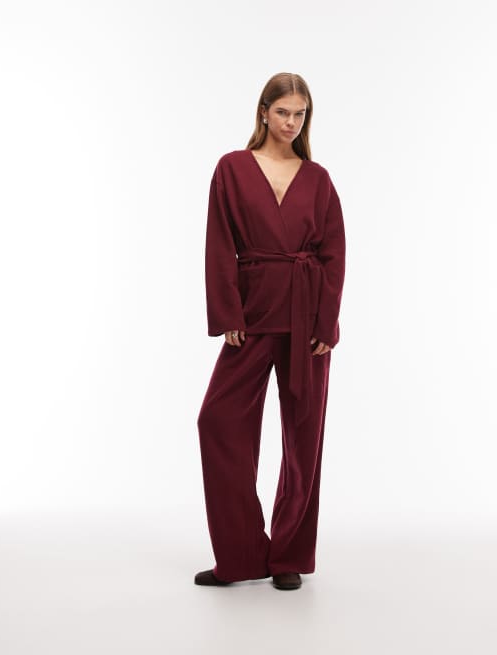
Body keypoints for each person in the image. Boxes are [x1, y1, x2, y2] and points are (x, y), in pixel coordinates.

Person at [195, 72, 346, 591]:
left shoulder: (318, 178)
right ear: (263, 112)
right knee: (218, 421)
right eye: (283, 112)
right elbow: (219, 242)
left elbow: (333, 254)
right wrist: (228, 315)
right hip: (253, 316)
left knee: (303, 439)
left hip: (307, 322)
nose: (291, 122)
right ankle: (239, 555)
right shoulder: (232, 168)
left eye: (300, 114)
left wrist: (326, 323)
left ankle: (288, 556)